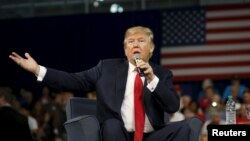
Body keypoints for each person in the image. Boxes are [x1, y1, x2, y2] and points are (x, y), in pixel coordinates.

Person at [9, 26, 201, 141]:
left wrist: (151, 78)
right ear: (125, 49)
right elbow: (73, 80)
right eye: (130, 41)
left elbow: (173, 106)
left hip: (151, 136)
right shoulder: (106, 68)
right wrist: (37, 69)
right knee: (111, 125)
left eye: (141, 41)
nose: (135, 44)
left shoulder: (162, 73)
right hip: (119, 135)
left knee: (184, 127)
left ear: (150, 48)